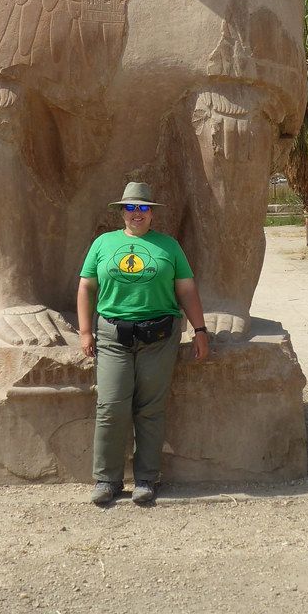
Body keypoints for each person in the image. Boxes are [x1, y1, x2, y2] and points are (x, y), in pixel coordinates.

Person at [77, 181, 209, 506]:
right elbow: (86, 288)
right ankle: (106, 478)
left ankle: (146, 478)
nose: (137, 213)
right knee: (111, 406)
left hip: (159, 336)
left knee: (150, 409)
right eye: (131, 208)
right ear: (122, 212)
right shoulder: (103, 244)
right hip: (112, 335)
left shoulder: (169, 247)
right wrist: (84, 331)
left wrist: (201, 330)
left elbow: (187, 291)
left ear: (152, 214)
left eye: (143, 208)